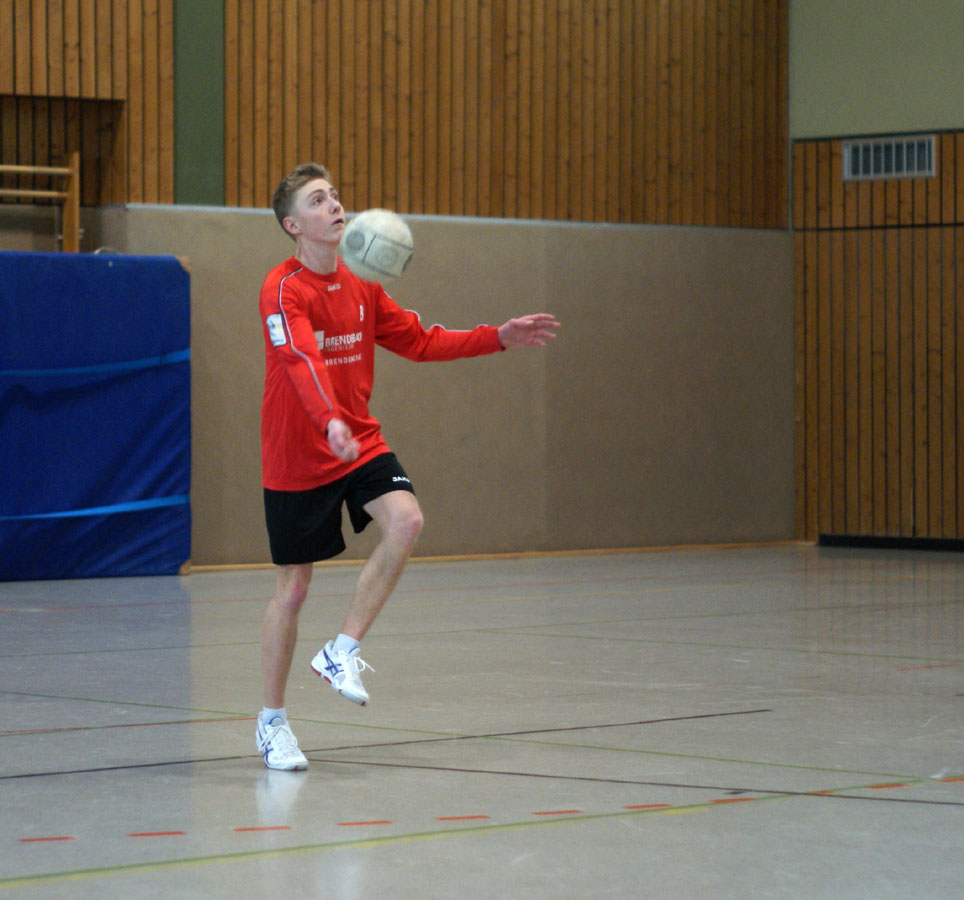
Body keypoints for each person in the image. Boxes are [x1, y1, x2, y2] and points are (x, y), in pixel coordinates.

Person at [255, 162, 560, 770]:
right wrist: (327, 420)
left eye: (335, 195)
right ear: (293, 225)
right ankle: (271, 722)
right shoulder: (283, 289)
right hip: (299, 452)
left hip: (358, 441)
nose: (334, 205)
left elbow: (419, 340)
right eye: (318, 200)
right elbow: (300, 360)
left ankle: (341, 650)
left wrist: (497, 336)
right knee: (293, 589)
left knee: (407, 520)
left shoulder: (362, 284)